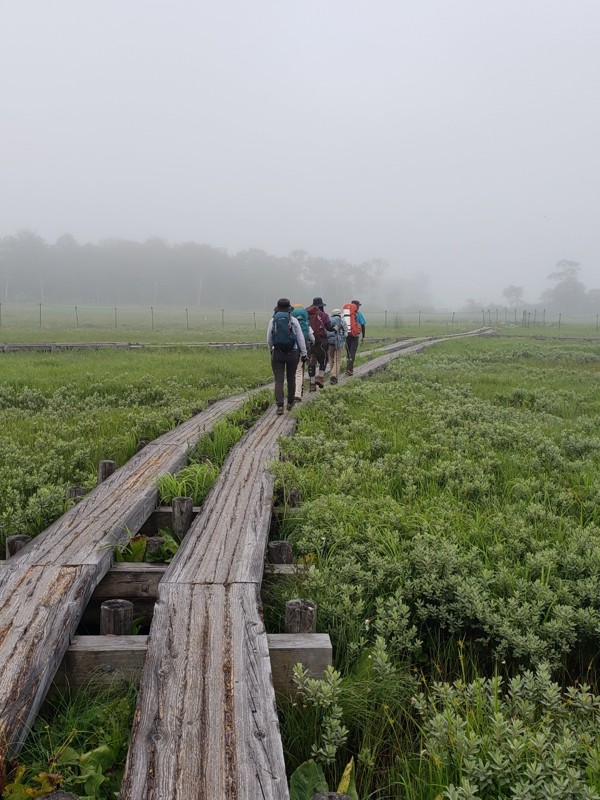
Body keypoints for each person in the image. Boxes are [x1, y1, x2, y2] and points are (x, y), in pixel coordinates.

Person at [267, 298, 307, 414]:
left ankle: (280, 406)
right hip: (292, 353)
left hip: (277, 353)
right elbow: (300, 337)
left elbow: (269, 338)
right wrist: (304, 353)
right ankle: (290, 403)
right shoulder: (293, 320)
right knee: (291, 378)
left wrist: (271, 349)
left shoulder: (273, 320)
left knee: (278, 380)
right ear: (289, 308)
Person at [305, 297, 332, 391]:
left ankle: (312, 384)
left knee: (311, 363)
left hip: (309, 341)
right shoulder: (324, 315)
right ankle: (320, 377)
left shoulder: (306, 314)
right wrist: (335, 328)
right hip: (321, 341)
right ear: (321, 306)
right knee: (323, 360)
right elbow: (329, 327)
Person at [291, 304, 314, 402]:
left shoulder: (290, 321)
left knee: (292, 372)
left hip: (290, 350)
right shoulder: (306, 324)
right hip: (302, 351)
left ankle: (293, 392)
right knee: (299, 371)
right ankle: (298, 393)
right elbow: (312, 338)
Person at [344, 300, 366, 376]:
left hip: (347, 335)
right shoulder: (358, 314)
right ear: (357, 306)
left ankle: (348, 368)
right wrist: (363, 336)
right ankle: (349, 369)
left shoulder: (346, 313)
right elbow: (362, 325)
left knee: (348, 352)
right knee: (352, 352)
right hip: (355, 335)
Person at [326, 308, 346, 384]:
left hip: (329, 342)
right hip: (338, 342)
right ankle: (334, 375)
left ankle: (332, 375)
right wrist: (343, 339)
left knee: (331, 360)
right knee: (337, 360)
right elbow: (345, 331)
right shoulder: (341, 320)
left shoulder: (329, 320)